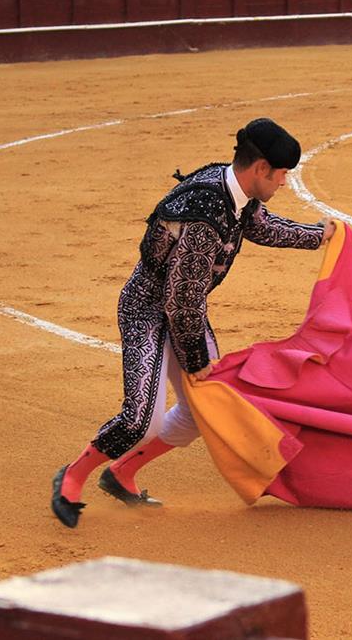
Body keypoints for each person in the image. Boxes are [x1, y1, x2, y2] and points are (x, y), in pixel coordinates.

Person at [51, 118, 335, 528]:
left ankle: (122, 473)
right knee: (139, 420)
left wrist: (315, 235)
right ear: (260, 170)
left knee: (204, 410)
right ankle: (72, 477)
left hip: (183, 311)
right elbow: (179, 299)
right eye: (282, 174)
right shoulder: (205, 217)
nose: (285, 183)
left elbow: (259, 225)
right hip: (147, 311)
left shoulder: (228, 185)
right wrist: (197, 357)